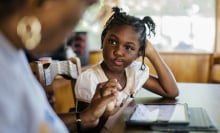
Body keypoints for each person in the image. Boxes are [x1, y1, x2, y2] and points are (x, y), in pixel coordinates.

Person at [0, 0, 120, 133]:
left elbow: (36, 123)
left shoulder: (14, 54)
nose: (76, 24)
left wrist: (88, 116)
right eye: (85, 7)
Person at [74, 6, 179, 130]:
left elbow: (171, 92)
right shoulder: (89, 79)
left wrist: (151, 52)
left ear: (139, 54)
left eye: (128, 47)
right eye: (112, 42)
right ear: (103, 41)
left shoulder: (133, 72)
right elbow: (84, 129)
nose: (118, 52)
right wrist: (106, 111)